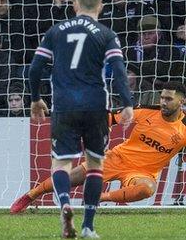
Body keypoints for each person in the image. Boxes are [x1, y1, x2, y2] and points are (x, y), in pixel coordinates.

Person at [28, 0, 134, 239]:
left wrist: (35, 99)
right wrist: (128, 103)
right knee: (95, 164)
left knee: (61, 164)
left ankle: (64, 203)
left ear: (74, 5)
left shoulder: (55, 31)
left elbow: (34, 69)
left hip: (64, 106)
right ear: (101, 6)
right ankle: (88, 225)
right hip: (96, 106)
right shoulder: (106, 33)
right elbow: (119, 72)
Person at [12, 83, 186, 210]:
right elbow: (109, 118)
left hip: (143, 173)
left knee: (147, 189)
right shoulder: (147, 111)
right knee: (70, 177)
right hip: (116, 158)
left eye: (169, 99)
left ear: (181, 101)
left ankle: (99, 198)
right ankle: (30, 196)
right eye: (162, 97)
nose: (163, 102)